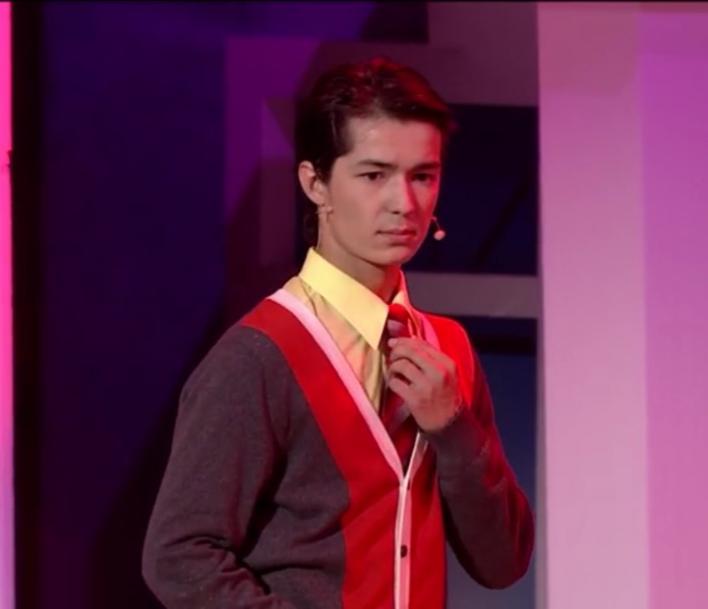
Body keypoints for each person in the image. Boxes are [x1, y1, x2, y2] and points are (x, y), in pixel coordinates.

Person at [142, 57, 534, 609]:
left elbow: (503, 562)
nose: (405, 203)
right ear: (315, 183)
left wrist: (455, 431)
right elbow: (179, 555)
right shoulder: (260, 354)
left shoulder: (449, 349)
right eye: (374, 175)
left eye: (423, 176)